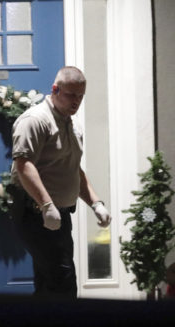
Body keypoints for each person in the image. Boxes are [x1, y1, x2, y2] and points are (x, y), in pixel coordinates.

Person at [10, 66, 111, 299]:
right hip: (35, 213)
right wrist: (46, 205)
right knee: (63, 283)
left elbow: (73, 169)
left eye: (81, 96)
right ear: (55, 89)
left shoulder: (73, 125)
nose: (76, 101)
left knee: (49, 284)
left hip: (59, 215)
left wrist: (96, 203)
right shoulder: (35, 120)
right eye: (71, 95)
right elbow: (23, 165)